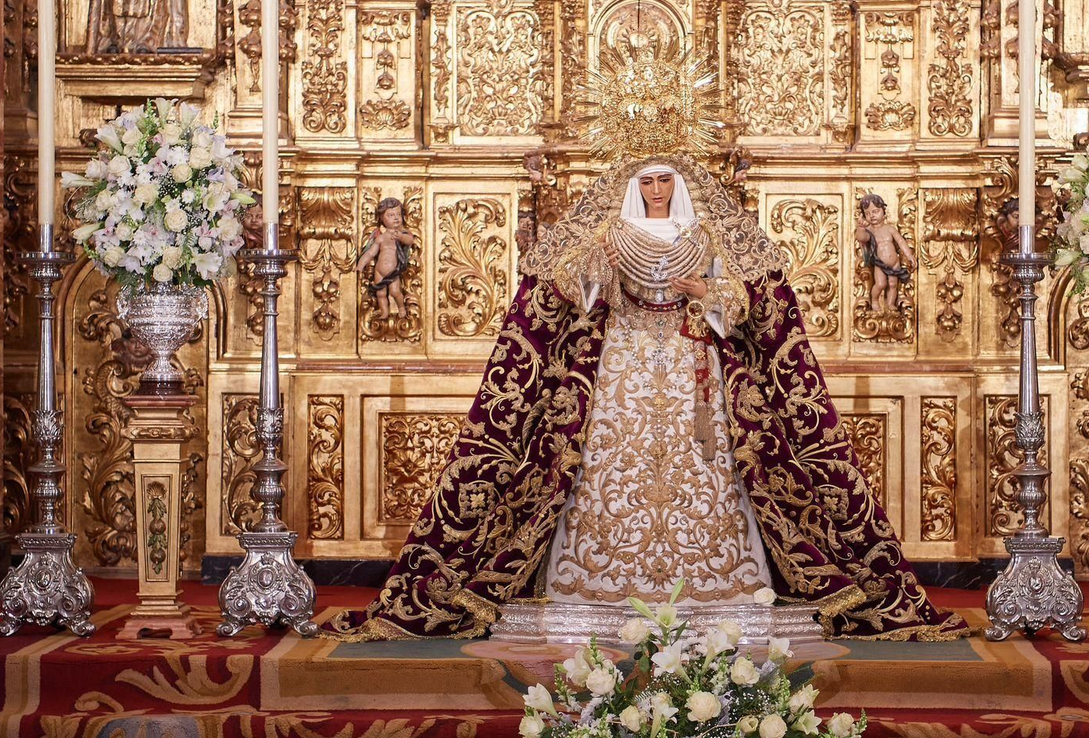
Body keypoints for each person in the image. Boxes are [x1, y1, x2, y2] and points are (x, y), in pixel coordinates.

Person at [328, 156, 969, 642]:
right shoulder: (611, 233)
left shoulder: (709, 235)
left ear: (679, 184)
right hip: (623, 371)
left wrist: (705, 291)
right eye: (647, 182)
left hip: (695, 370)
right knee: (612, 466)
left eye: (665, 181)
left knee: (707, 471)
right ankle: (598, 589)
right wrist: (593, 267)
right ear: (633, 185)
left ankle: (718, 588)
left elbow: (747, 306)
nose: (657, 191)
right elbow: (570, 297)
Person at [355, 197, 416, 318]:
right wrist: (360, 265)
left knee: (395, 291)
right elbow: (370, 253)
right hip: (379, 271)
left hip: (393, 271)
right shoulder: (380, 238)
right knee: (380, 293)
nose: (396, 217)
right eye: (391, 215)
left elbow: (410, 240)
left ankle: (401, 308)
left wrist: (401, 237)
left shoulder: (400, 235)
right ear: (382, 218)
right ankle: (384, 312)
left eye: (398, 214)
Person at [855, 193, 914, 315]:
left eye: (875, 211)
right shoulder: (870, 230)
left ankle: (891, 303)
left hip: (895, 263)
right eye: (867, 213)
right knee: (881, 284)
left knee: (893, 284)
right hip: (880, 264)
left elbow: (901, 242)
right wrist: (860, 227)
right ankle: (875, 300)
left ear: (884, 211)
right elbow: (862, 238)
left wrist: (909, 256)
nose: (872, 215)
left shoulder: (889, 229)